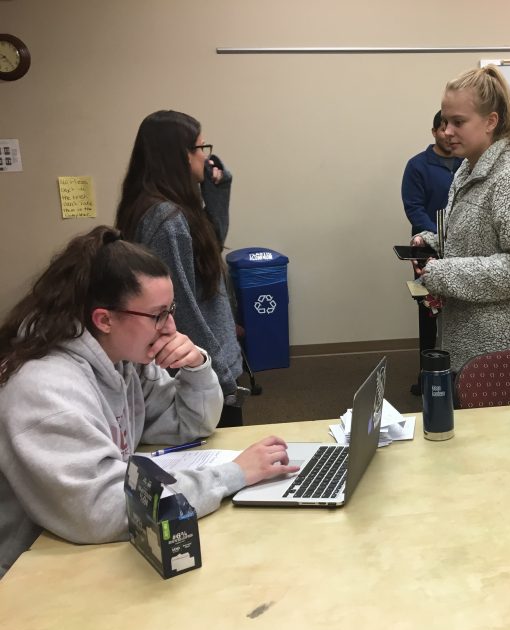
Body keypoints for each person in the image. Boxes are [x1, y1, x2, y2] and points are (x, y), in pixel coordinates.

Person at [0, 227, 298, 578]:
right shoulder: (45, 393)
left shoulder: (123, 360)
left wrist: (197, 369)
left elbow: (189, 425)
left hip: (75, 549)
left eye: (170, 310)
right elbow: (104, 511)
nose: (171, 327)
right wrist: (232, 475)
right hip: (28, 572)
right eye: (158, 315)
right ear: (104, 319)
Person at [411, 65, 510, 371]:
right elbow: (475, 238)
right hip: (464, 342)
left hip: (500, 355)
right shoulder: (467, 170)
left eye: (458, 122)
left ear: (491, 122)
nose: (447, 131)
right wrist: (432, 243)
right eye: (446, 121)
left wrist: (443, 273)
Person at [115, 110, 245, 426]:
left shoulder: (170, 208)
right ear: (182, 157)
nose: (206, 156)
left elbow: (208, 249)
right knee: (219, 454)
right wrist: (217, 369)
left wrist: (217, 189)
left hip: (199, 363)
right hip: (196, 368)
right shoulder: (167, 221)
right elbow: (180, 306)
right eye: (201, 148)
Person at [401, 111, 463, 393]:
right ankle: (426, 378)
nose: (449, 134)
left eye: (454, 126)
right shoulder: (417, 166)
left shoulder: (468, 164)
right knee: (429, 314)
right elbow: (414, 207)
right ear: (434, 131)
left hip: (464, 249)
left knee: (461, 311)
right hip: (428, 250)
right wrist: (439, 238)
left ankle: (460, 377)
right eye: (443, 128)